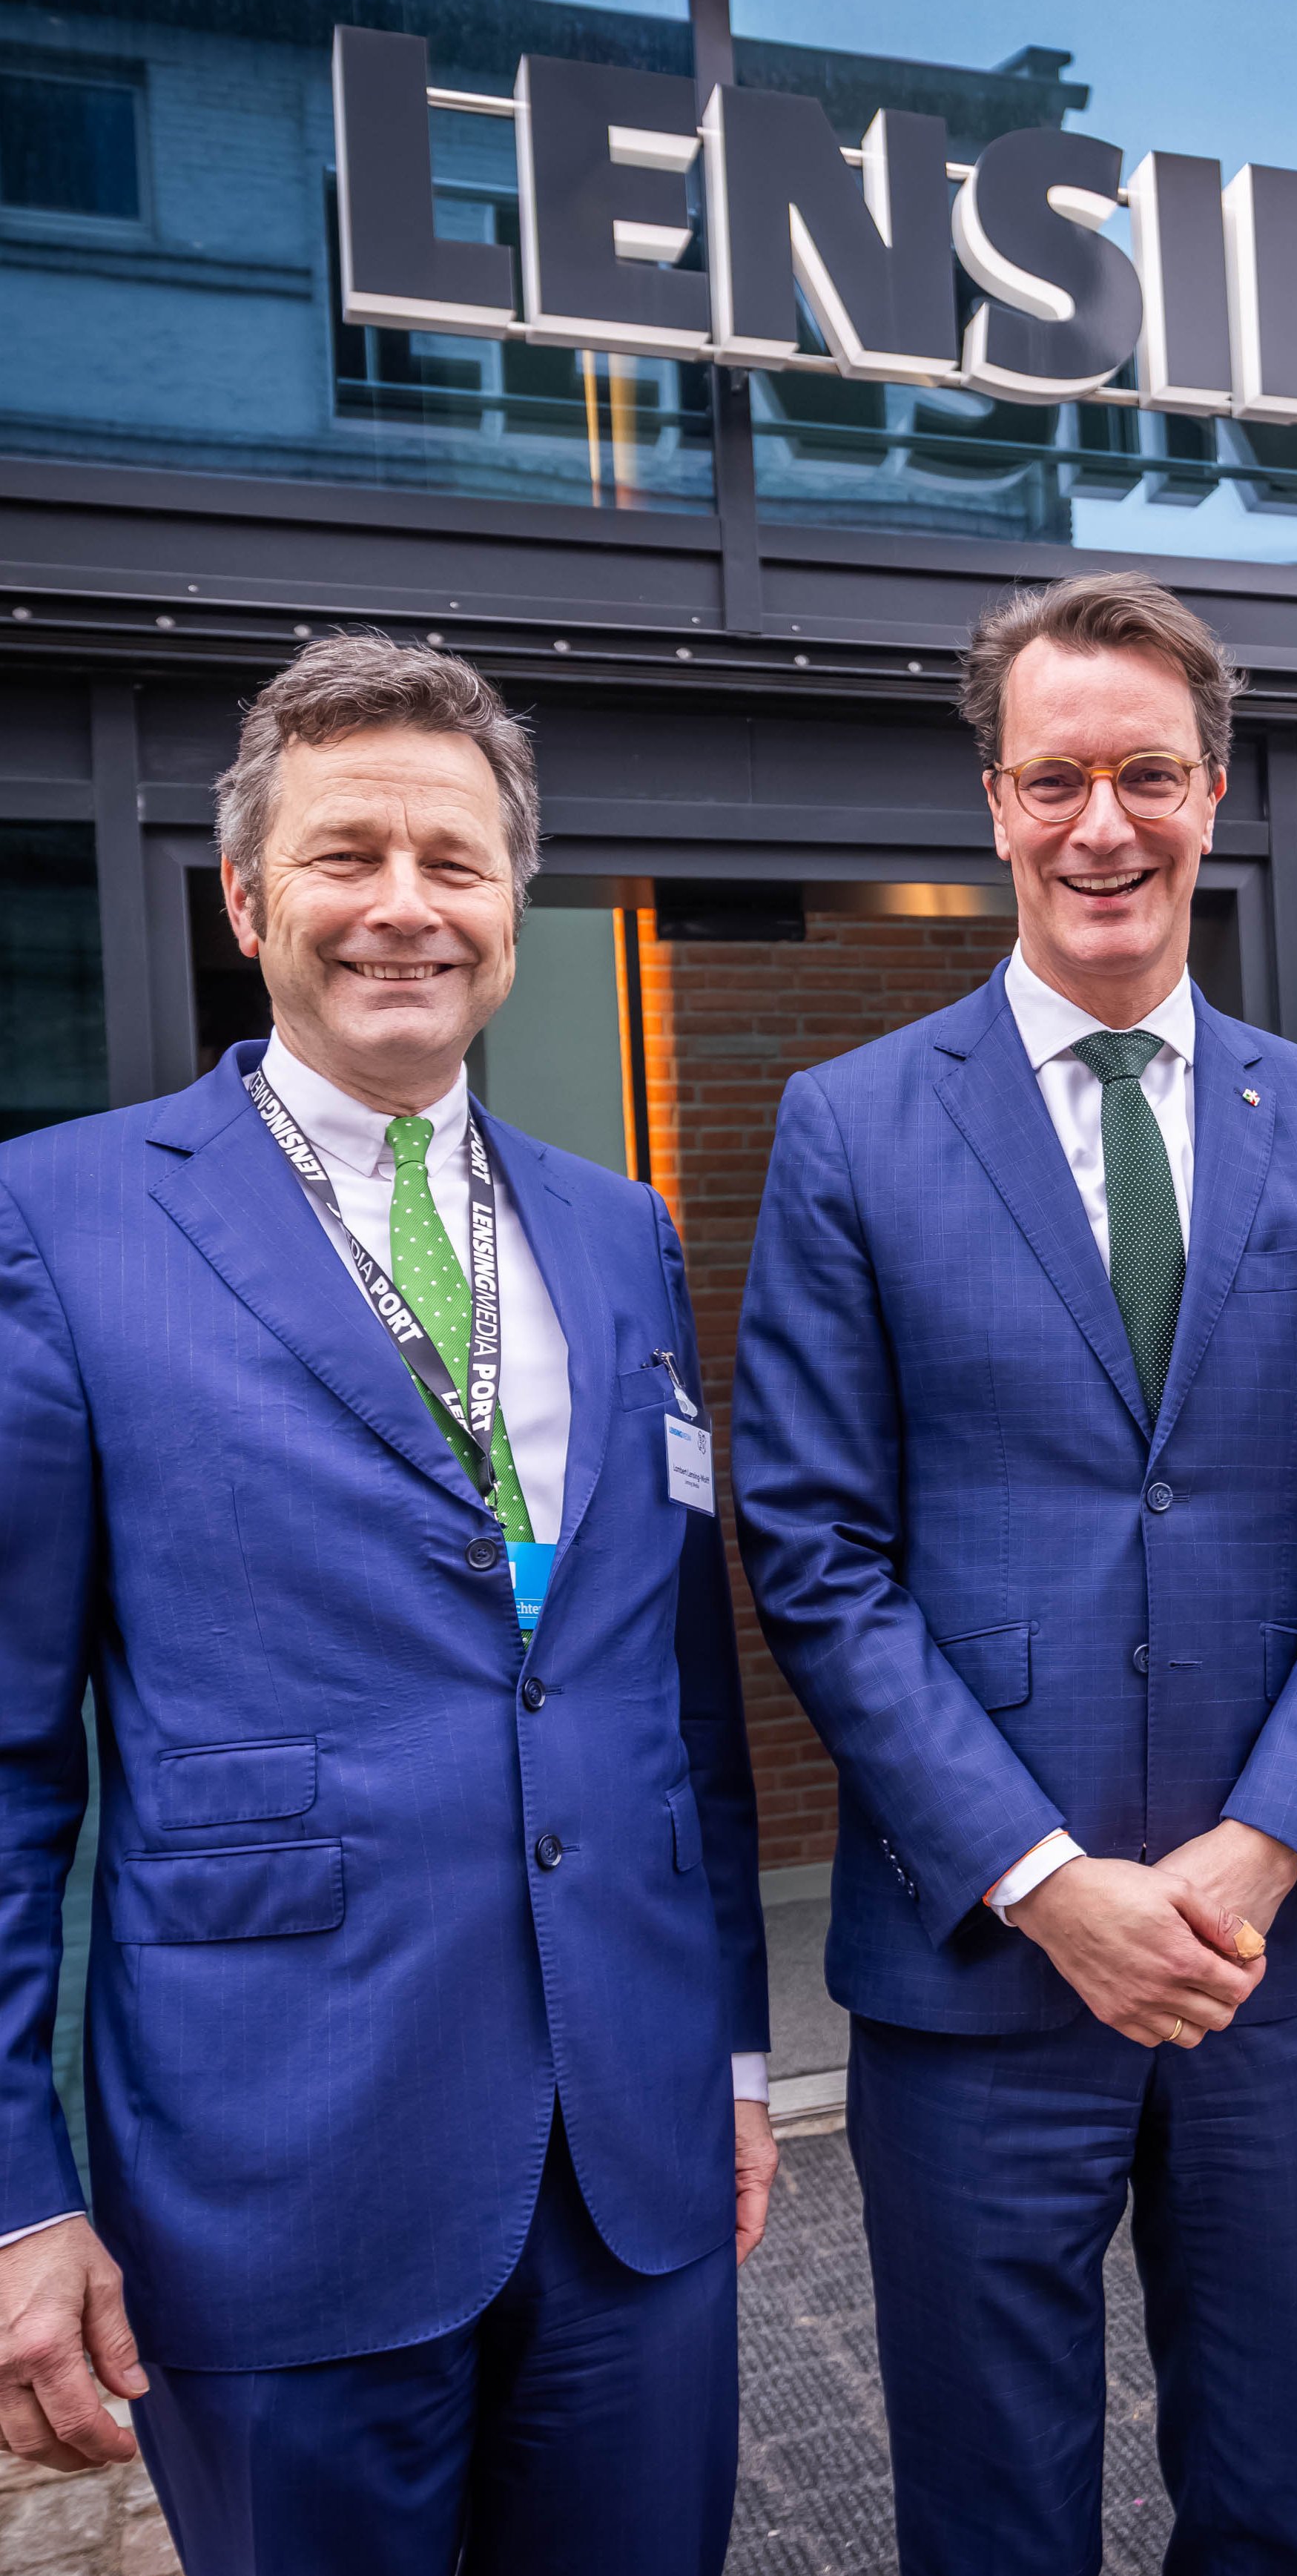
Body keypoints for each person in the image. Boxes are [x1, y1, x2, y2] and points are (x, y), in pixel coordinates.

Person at [0, 635, 770, 2573]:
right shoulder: (62, 1221)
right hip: (280, 2165)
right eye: (346, 855)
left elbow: (677, 1693)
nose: (405, 905)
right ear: (246, 901)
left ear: (514, 906)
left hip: (631, 2155)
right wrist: (16, 2194)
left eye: (455, 860)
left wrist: (736, 2056)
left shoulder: (621, 1228)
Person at [729, 568, 1297, 2575]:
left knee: (1274, 2491)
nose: (1102, 824)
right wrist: (1046, 1880)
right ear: (995, 804)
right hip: (979, 1958)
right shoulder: (849, 1126)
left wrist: (1262, 1849)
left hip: (1258, 1962)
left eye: (1146, 773)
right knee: (990, 2509)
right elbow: (815, 1552)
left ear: (1212, 790)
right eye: (1054, 779)